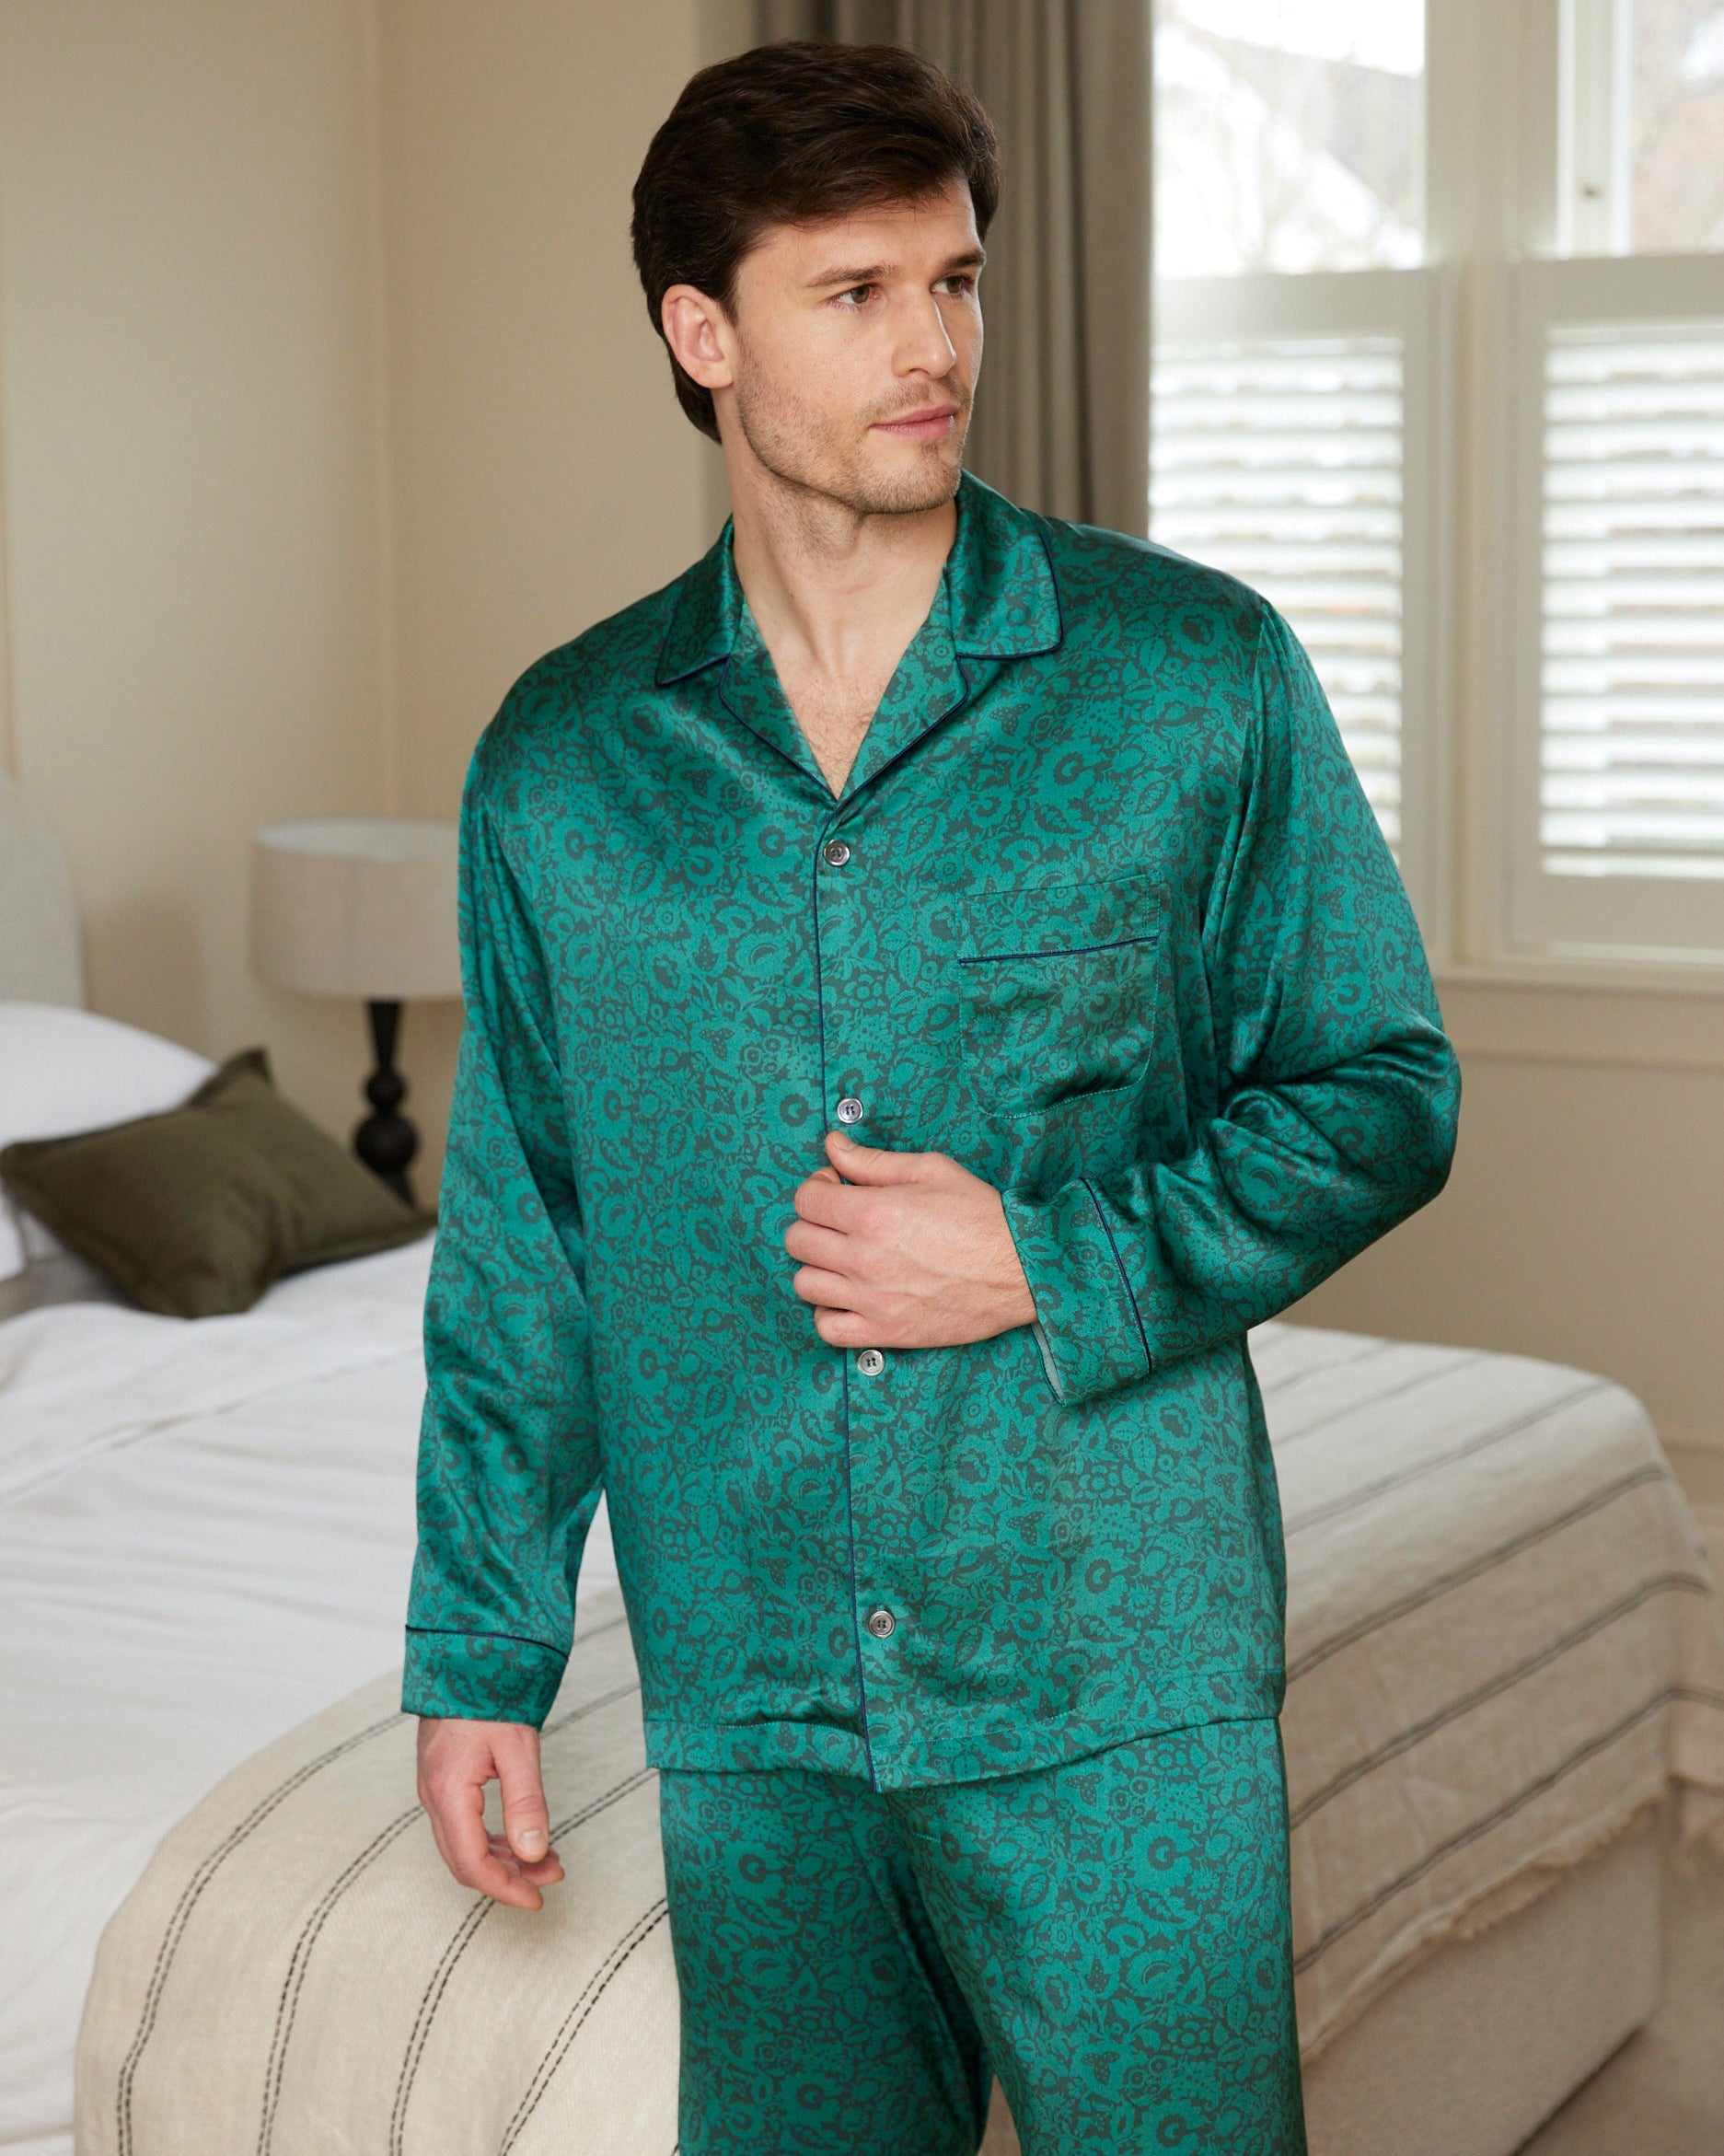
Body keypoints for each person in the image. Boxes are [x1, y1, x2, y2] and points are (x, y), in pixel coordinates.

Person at [403, 38, 1460, 2156]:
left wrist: (1049, 1258)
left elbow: (1382, 1087)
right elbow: (530, 1238)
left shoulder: (1189, 677)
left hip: (1114, 1676)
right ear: (703, 333)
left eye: (955, 282)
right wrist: (481, 1653)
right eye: (857, 291)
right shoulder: (563, 764)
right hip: (752, 1694)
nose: (937, 346)